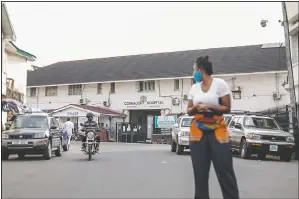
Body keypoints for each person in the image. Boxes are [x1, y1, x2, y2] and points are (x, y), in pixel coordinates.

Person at [187, 56, 240, 199]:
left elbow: (227, 108)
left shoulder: (220, 84)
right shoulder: (194, 87)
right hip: (197, 132)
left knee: (225, 170)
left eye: (194, 70)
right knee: (200, 173)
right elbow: (188, 110)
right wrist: (197, 107)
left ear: (201, 69)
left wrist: (209, 106)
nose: (194, 73)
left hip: (218, 131)